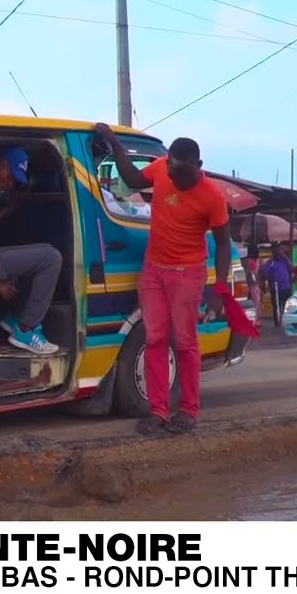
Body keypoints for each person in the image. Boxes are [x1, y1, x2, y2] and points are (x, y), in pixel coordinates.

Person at [96, 123, 232, 435]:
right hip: (154, 270)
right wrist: (115, 143)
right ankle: (158, 410)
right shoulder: (163, 168)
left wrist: (221, 290)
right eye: (170, 170)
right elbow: (130, 180)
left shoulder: (212, 196)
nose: (173, 177)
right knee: (154, 339)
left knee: (184, 342)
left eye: (181, 173)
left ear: (198, 167)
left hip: (187, 273)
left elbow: (224, 244)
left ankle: (188, 409)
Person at [0, 147, 62, 355]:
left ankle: (15, 317)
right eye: (9, 175)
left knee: (45, 250)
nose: (8, 183)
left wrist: (12, 207)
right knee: (51, 258)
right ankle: (26, 328)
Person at [260, 244, 293, 326]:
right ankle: (277, 323)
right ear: (273, 253)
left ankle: (287, 321)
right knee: (276, 306)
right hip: (275, 288)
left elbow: (291, 267)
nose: (278, 253)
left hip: (286, 287)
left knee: (287, 305)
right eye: (276, 252)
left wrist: (284, 256)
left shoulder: (285, 261)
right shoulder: (270, 262)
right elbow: (264, 274)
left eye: (279, 251)